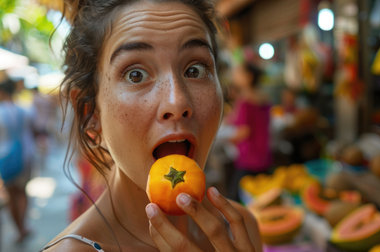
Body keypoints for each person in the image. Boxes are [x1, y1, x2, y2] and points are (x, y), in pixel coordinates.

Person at [42, 0, 261, 251]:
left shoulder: (241, 230)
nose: (177, 102)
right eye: (136, 75)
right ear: (90, 113)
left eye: (195, 70)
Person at [227, 62, 272, 202]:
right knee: (263, 198)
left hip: (249, 159)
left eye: (238, 73)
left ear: (249, 77)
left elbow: (244, 132)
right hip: (264, 155)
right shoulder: (264, 97)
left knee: (235, 200)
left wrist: (226, 139)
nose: (234, 76)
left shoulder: (245, 101)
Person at [0, 74, 32, 243]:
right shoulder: (24, 109)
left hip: (6, 157)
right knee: (23, 192)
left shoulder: (0, 112)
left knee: (11, 195)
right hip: (26, 155)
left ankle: (19, 228)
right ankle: (24, 224)